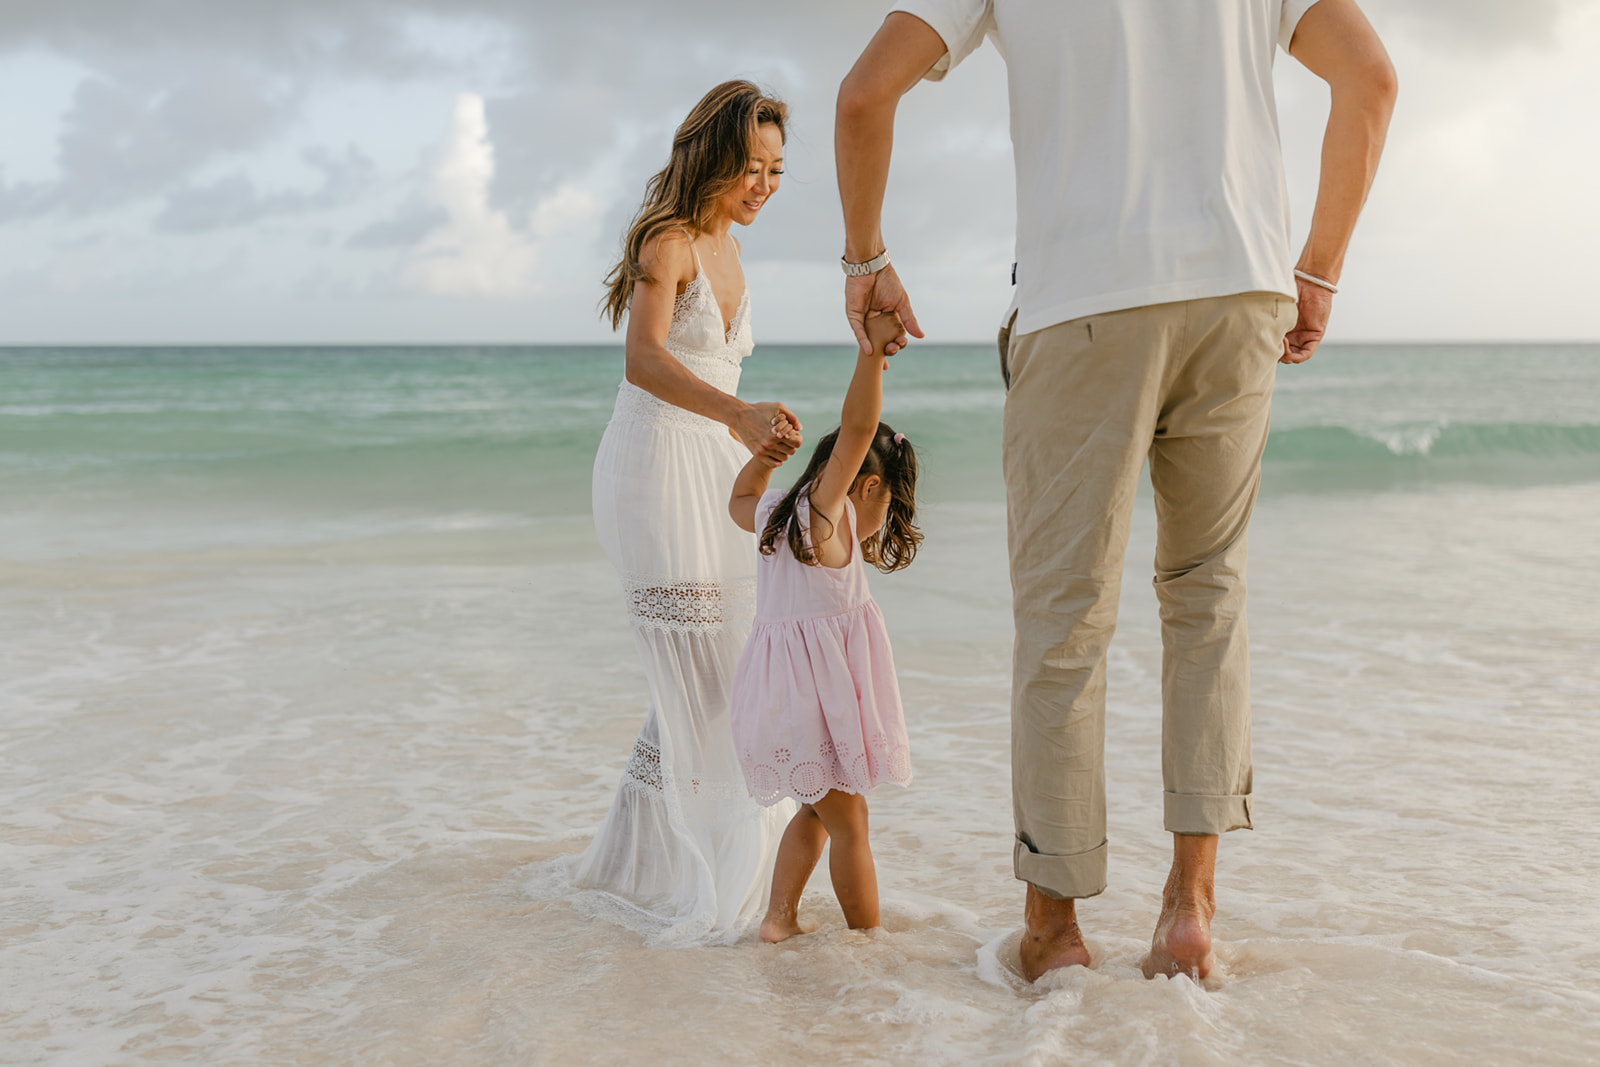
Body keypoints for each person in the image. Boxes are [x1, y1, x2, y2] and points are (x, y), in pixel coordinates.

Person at [833, 1, 1397, 980]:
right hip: (1240, 288)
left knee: (1063, 616)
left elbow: (861, 95)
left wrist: (865, 258)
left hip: (1085, 296)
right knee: (1207, 597)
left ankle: (1054, 929)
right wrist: (1318, 269)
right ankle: (1188, 909)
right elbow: (1371, 81)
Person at [561, 80, 806, 944]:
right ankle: (699, 877)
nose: (764, 185)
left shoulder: (737, 253)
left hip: (715, 468)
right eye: (752, 167)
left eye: (776, 171)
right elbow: (644, 359)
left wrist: (758, 436)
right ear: (711, 156)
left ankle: (640, 866)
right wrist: (734, 415)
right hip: (655, 466)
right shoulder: (668, 243)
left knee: (726, 672)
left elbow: (724, 384)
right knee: (704, 671)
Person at [727, 310, 921, 943]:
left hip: (782, 700)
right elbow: (860, 427)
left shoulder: (776, 516)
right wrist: (870, 356)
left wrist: (762, 457)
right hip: (810, 705)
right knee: (852, 820)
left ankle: (779, 920)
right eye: (886, 505)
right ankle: (870, 941)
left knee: (816, 808)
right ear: (865, 487)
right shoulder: (821, 519)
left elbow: (738, 502)